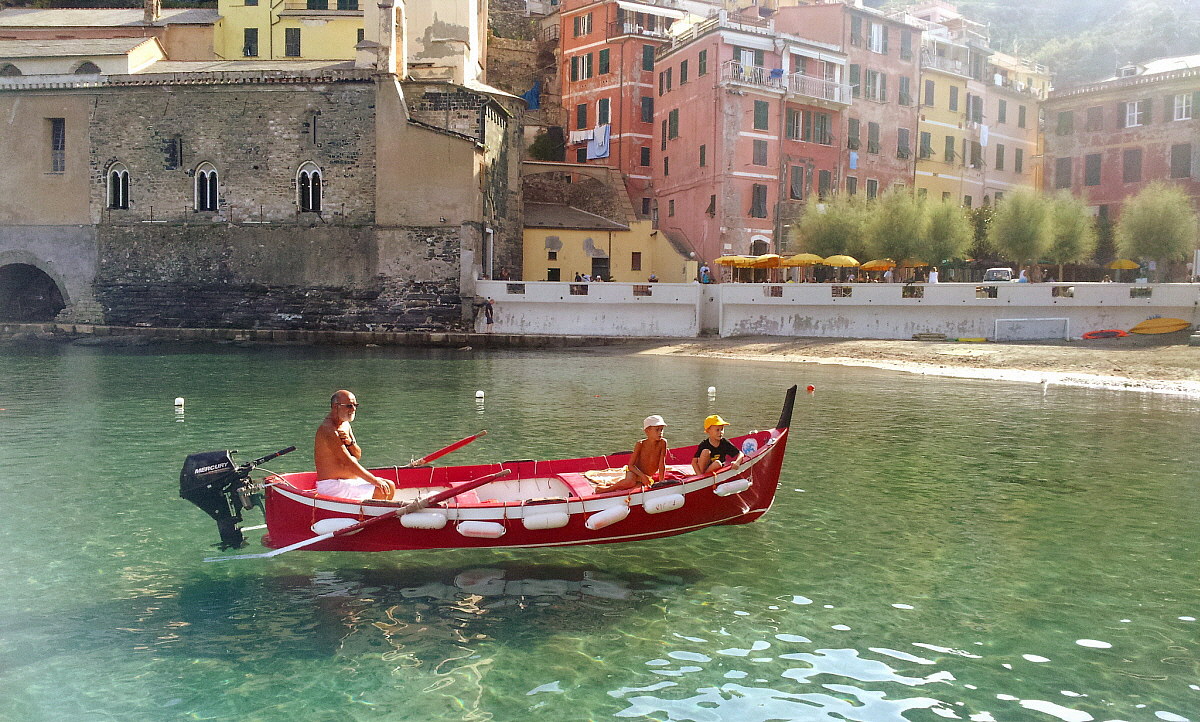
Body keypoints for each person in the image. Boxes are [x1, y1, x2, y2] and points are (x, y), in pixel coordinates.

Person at [314, 390, 395, 501]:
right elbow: (348, 463)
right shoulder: (328, 430)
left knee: (389, 485)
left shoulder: (345, 424)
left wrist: (350, 443)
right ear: (335, 406)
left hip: (347, 482)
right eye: (349, 406)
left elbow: (357, 455)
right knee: (383, 489)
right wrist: (375, 481)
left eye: (355, 405)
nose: (353, 409)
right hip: (332, 486)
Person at [609, 415, 669, 491]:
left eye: (661, 430)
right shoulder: (640, 444)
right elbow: (630, 465)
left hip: (646, 476)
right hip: (635, 472)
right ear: (647, 431)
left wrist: (661, 482)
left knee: (637, 487)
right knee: (630, 482)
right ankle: (607, 489)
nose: (660, 433)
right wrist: (643, 476)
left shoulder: (663, 443)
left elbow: (661, 464)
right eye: (657, 430)